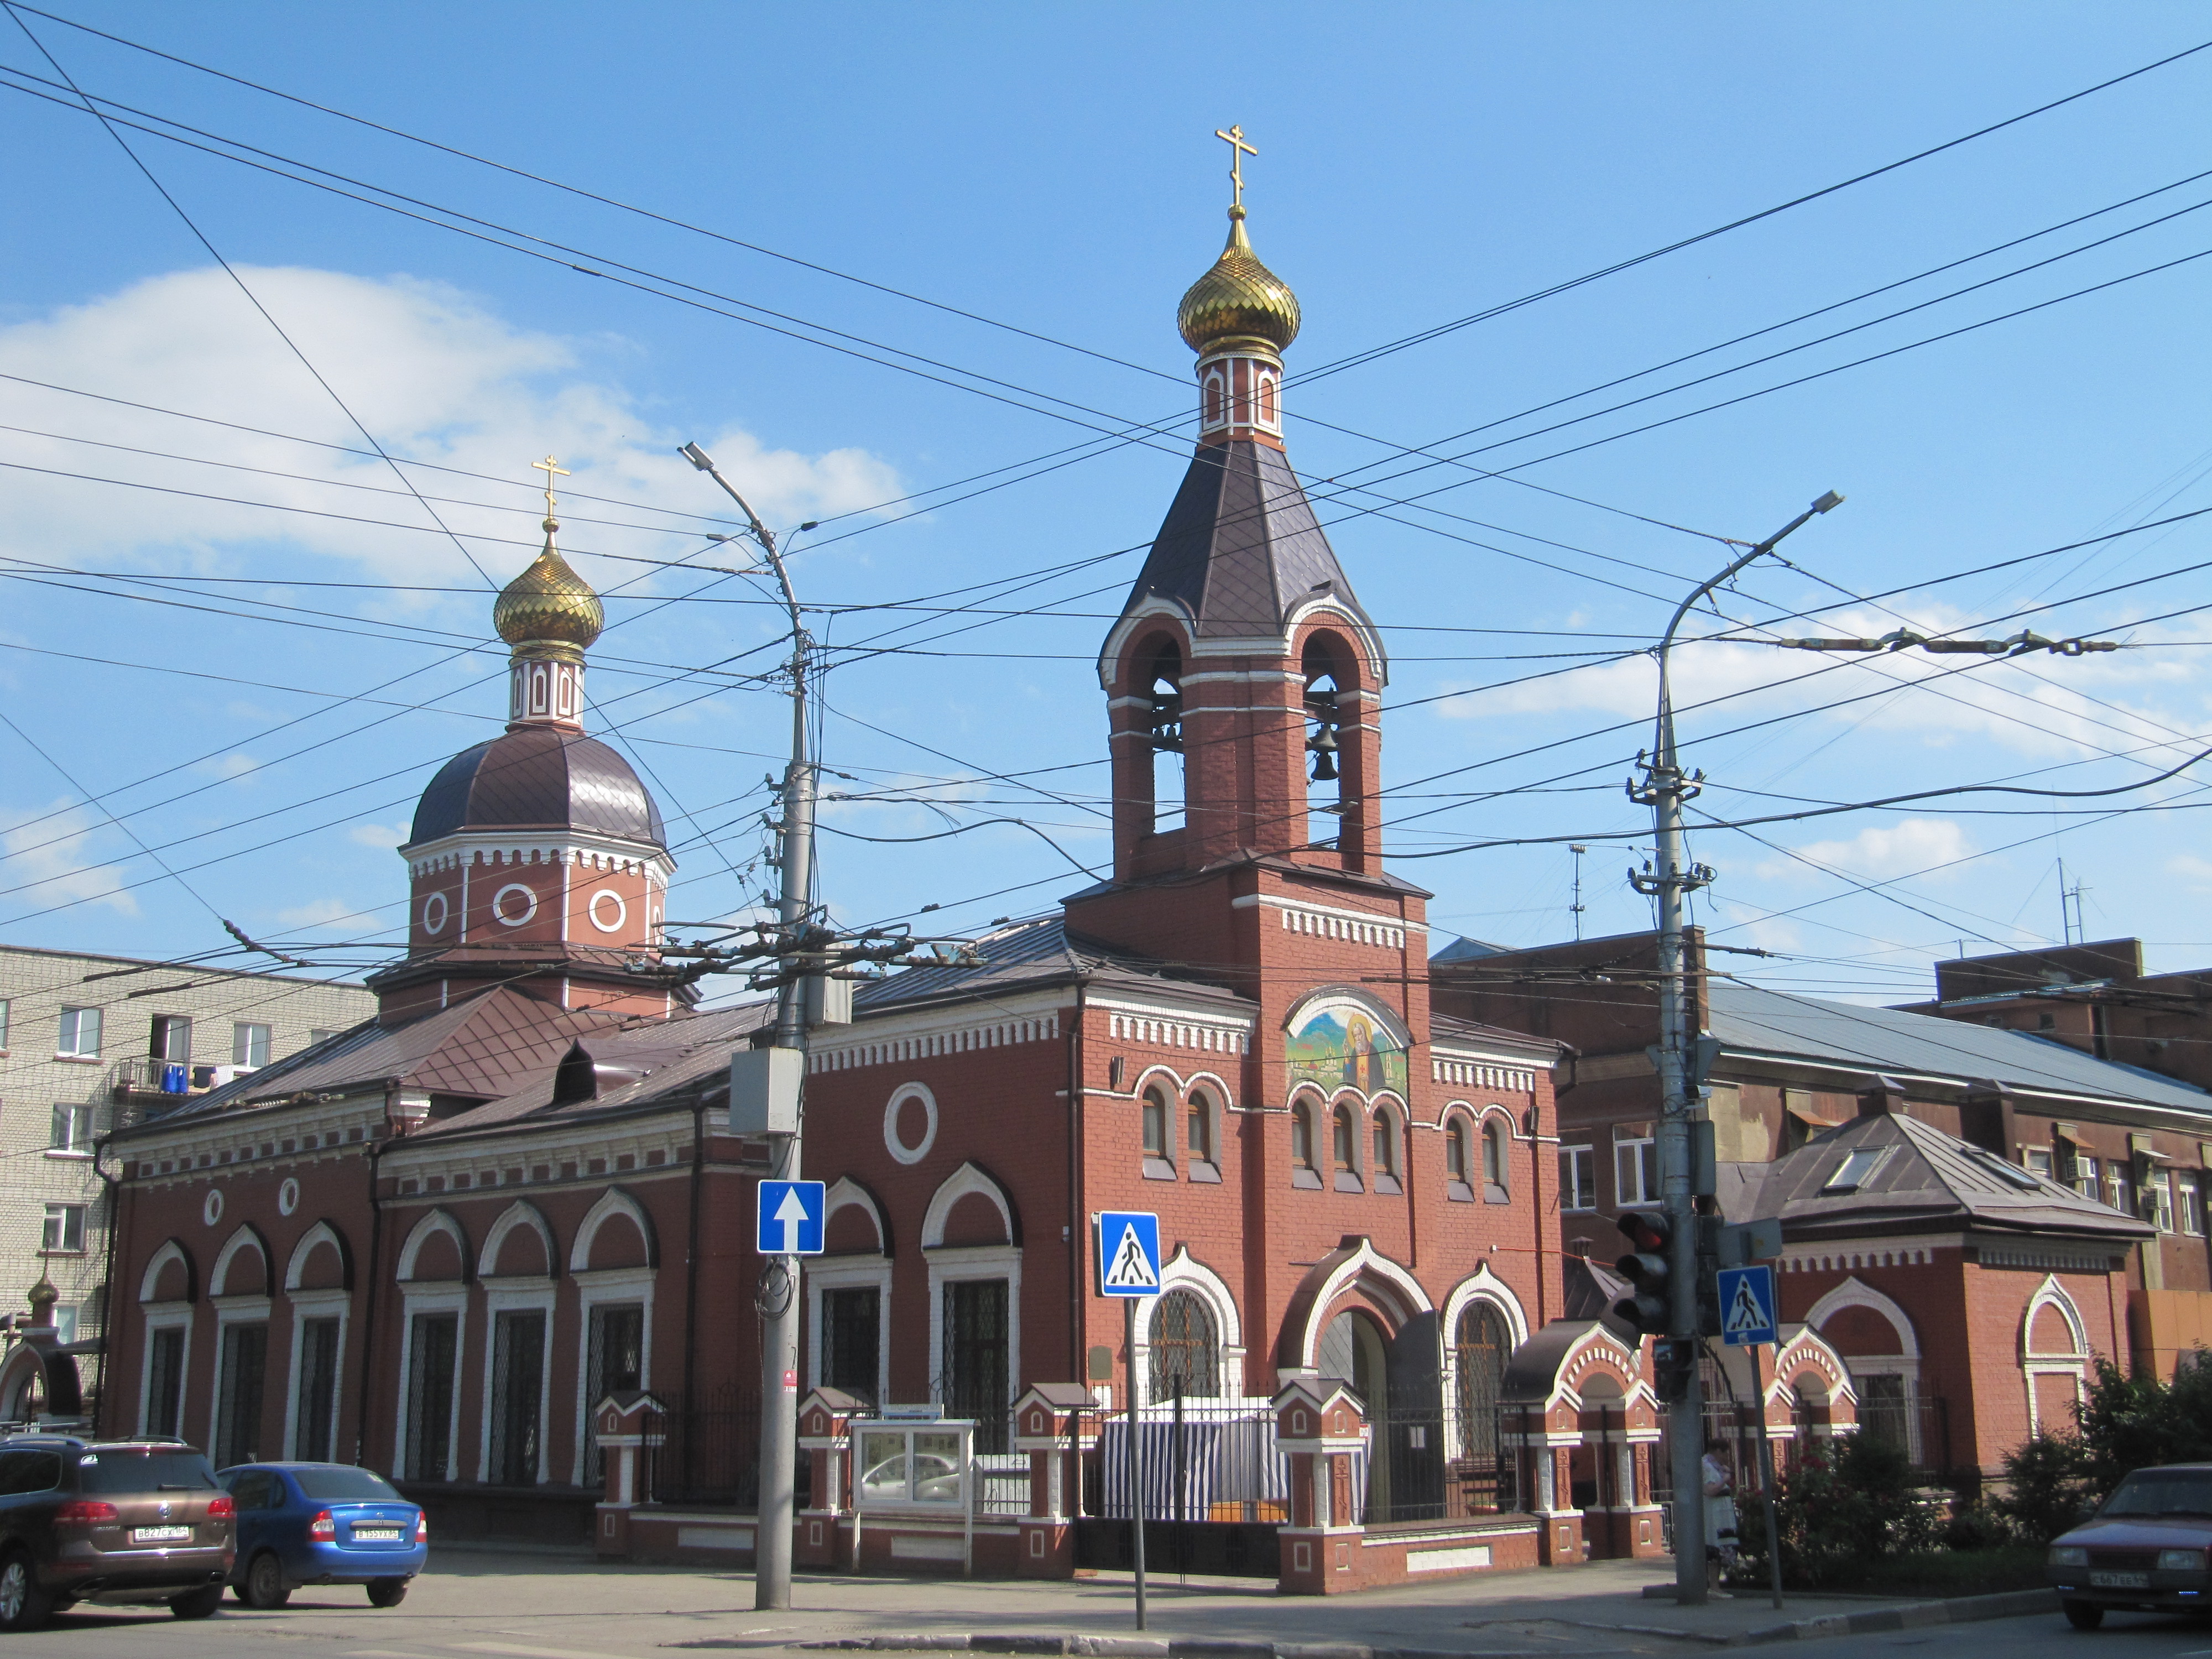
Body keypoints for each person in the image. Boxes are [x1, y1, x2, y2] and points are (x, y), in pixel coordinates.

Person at [1702, 1451, 1740, 1585]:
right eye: (1724, 1452)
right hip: (1715, 1517)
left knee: (1723, 1548)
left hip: (1723, 1517)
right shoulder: (1706, 1466)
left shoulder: (1717, 1467)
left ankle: (1715, 1585)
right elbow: (1710, 1490)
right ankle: (1713, 1585)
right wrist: (1724, 1479)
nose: (1726, 1457)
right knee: (1715, 1549)